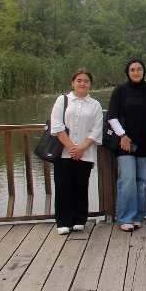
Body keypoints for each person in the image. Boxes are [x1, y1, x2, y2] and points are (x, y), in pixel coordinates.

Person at [50, 68, 103, 235]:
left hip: (85, 153)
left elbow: (96, 130)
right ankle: (63, 221)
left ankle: (80, 219)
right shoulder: (62, 100)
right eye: (79, 80)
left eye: (86, 81)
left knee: (81, 186)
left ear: (90, 84)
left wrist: (82, 148)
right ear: (72, 82)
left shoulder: (95, 104)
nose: (82, 83)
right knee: (63, 186)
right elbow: (57, 126)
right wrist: (72, 147)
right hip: (64, 152)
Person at [106, 58, 146, 232]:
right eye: (132, 69)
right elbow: (111, 116)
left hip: (145, 142)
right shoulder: (120, 91)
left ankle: (138, 216)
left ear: (144, 71)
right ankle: (125, 217)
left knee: (142, 181)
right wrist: (123, 135)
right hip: (125, 143)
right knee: (127, 179)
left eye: (139, 69)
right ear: (127, 71)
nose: (136, 72)